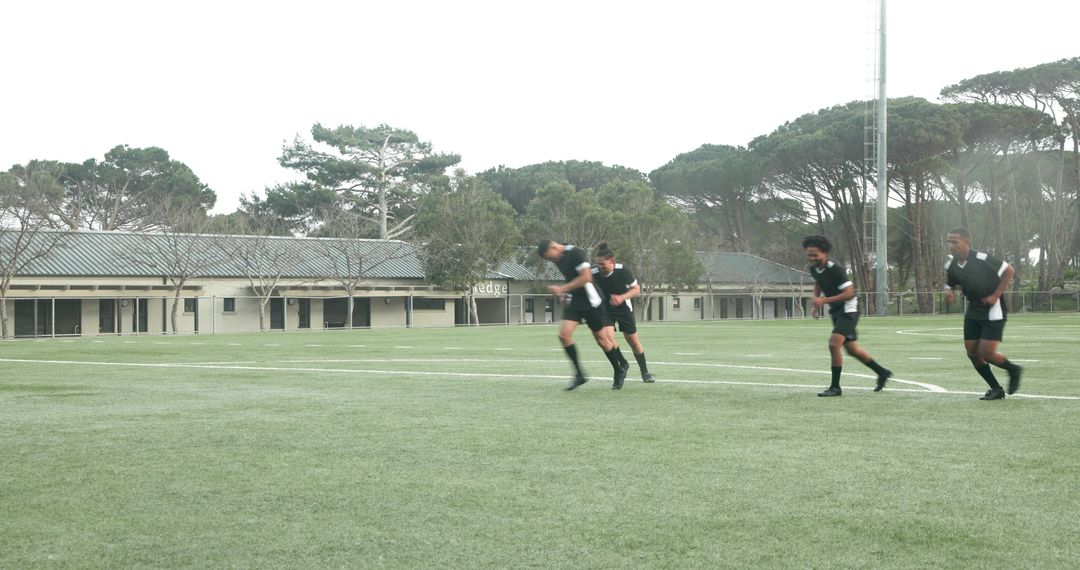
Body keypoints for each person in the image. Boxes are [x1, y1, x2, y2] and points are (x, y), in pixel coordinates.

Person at [803, 235, 893, 397]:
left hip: (848, 310)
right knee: (852, 350)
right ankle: (882, 372)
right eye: (809, 254)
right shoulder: (813, 268)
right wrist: (816, 303)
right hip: (837, 310)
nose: (811, 258)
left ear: (825, 253)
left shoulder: (835, 269)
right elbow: (818, 282)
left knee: (833, 344)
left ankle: (835, 387)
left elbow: (849, 294)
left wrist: (823, 300)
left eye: (815, 254)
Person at [537, 239, 630, 390]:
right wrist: (565, 294)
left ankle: (618, 370)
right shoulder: (558, 258)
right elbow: (571, 277)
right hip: (575, 301)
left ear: (554, 247)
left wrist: (563, 289)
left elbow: (586, 277)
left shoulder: (576, 253)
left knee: (602, 340)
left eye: (550, 257)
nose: (551, 261)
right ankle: (579, 374)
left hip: (591, 301)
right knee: (564, 335)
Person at [944, 228, 1022, 400]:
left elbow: (1009, 271)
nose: (951, 245)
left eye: (955, 241)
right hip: (973, 310)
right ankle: (995, 388)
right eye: (949, 241)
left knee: (986, 352)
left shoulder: (981, 258)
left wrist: (995, 295)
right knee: (972, 353)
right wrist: (949, 292)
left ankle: (1013, 370)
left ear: (966, 242)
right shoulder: (950, 264)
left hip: (993, 310)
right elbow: (951, 284)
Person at [592, 243, 655, 382]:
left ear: (612, 262)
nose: (599, 267)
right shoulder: (594, 272)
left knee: (632, 340)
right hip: (606, 309)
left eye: (603, 264)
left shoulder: (623, 270)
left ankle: (645, 372)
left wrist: (621, 297)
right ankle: (623, 362)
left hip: (623, 307)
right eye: (598, 264)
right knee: (607, 337)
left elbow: (636, 289)